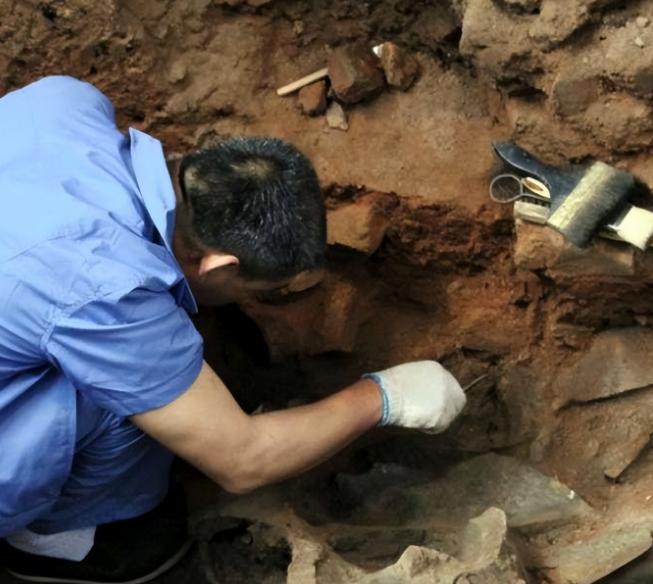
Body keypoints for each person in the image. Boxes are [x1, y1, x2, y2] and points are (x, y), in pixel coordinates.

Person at [0, 76, 467, 584]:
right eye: (265, 292)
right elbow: (242, 460)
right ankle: (53, 543)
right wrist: (383, 397)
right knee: (128, 399)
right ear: (219, 265)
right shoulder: (104, 287)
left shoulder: (64, 100)